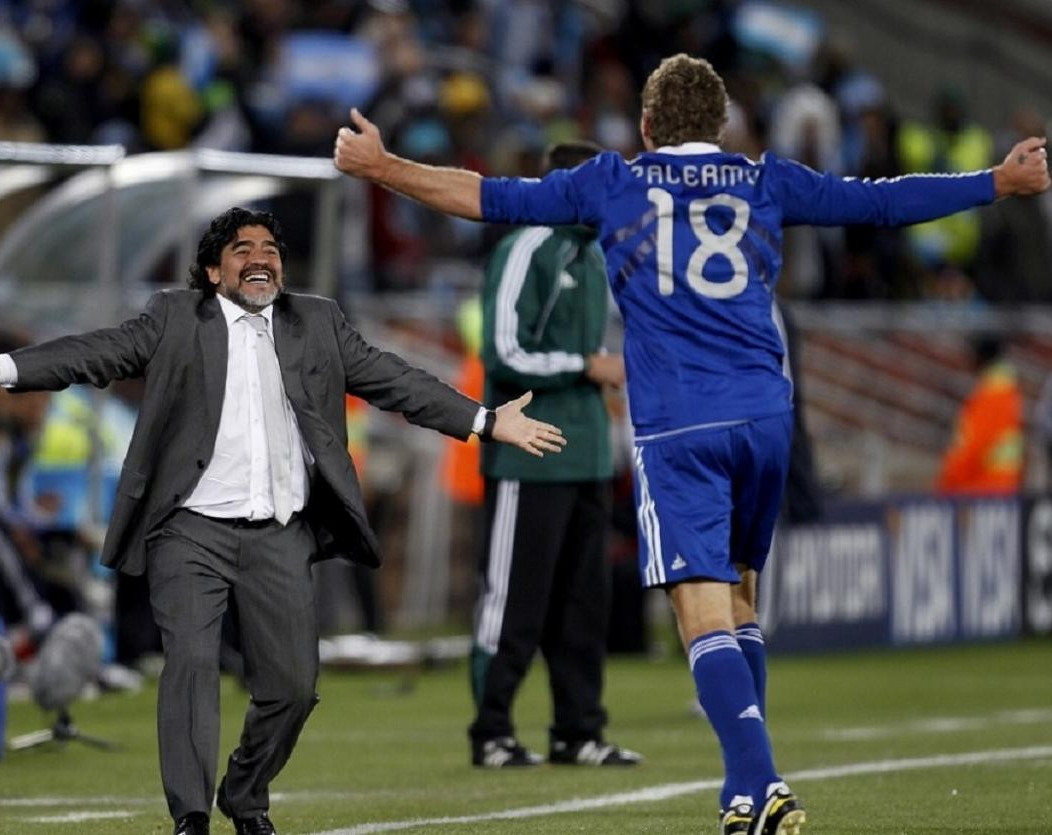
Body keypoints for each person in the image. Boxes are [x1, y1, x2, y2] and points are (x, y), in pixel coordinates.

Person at [334, 53, 1050, 835]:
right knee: (740, 598)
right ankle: (743, 797)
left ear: (645, 127)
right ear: (723, 125)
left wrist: (382, 166)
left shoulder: (613, 182)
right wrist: (996, 181)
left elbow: (483, 197)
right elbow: (881, 203)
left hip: (680, 423)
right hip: (766, 419)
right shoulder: (769, 179)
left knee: (699, 610)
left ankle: (761, 782)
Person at [0, 206, 565, 835]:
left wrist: (485, 421)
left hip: (279, 530)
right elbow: (94, 353)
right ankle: (189, 816)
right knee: (191, 667)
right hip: (190, 529)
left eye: (270, 249)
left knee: (292, 686)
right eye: (241, 249)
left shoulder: (318, 321)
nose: (260, 258)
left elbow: (396, 380)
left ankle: (245, 790)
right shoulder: (174, 317)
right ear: (213, 270)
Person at [469, 138, 639, 769]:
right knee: (513, 599)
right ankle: (491, 731)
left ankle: (579, 731)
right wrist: (585, 365)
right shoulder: (527, 246)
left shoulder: (592, 254)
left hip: (588, 452)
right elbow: (503, 352)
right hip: (528, 450)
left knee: (583, 606)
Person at [935, 336, 1023, 496]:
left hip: (982, 488)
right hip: (999, 487)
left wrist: (948, 484)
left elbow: (974, 445)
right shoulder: (1005, 390)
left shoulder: (993, 394)